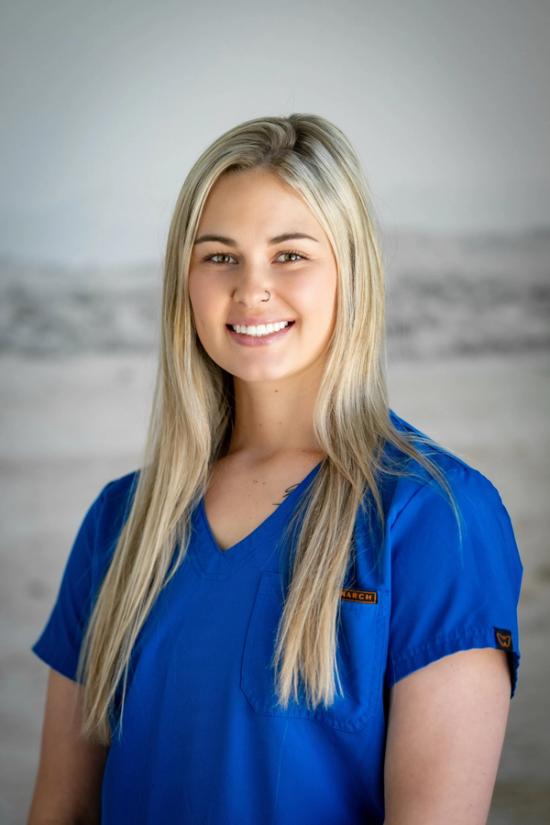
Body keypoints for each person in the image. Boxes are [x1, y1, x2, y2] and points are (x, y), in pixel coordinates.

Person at [27, 114, 523, 825]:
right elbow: (60, 809)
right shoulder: (119, 522)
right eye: (219, 256)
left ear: (350, 270)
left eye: (289, 255)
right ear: (185, 281)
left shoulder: (435, 517)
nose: (252, 289)